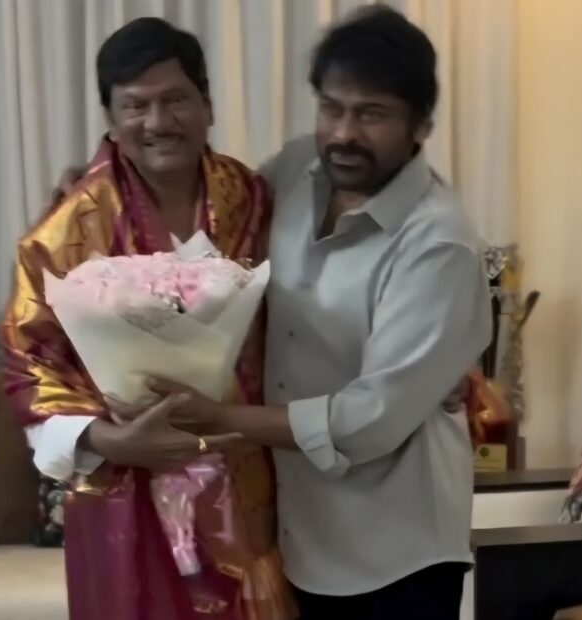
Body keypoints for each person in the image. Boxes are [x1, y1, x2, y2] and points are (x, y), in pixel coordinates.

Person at [48, 7, 489, 620]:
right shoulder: (299, 171)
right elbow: (211, 230)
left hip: (393, 546)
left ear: (423, 123)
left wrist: (222, 419)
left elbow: (370, 421)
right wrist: (103, 186)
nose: (343, 133)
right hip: (291, 529)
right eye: (332, 108)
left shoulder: (438, 244)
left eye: (372, 114)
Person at [0, 17, 294, 620]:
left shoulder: (256, 200)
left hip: (247, 470)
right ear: (110, 116)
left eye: (176, 100)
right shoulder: (63, 234)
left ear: (208, 105)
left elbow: (314, 310)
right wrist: (115, 440)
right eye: (136, 106)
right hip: (124, 492)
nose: (159, 123)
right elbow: (28, 370)